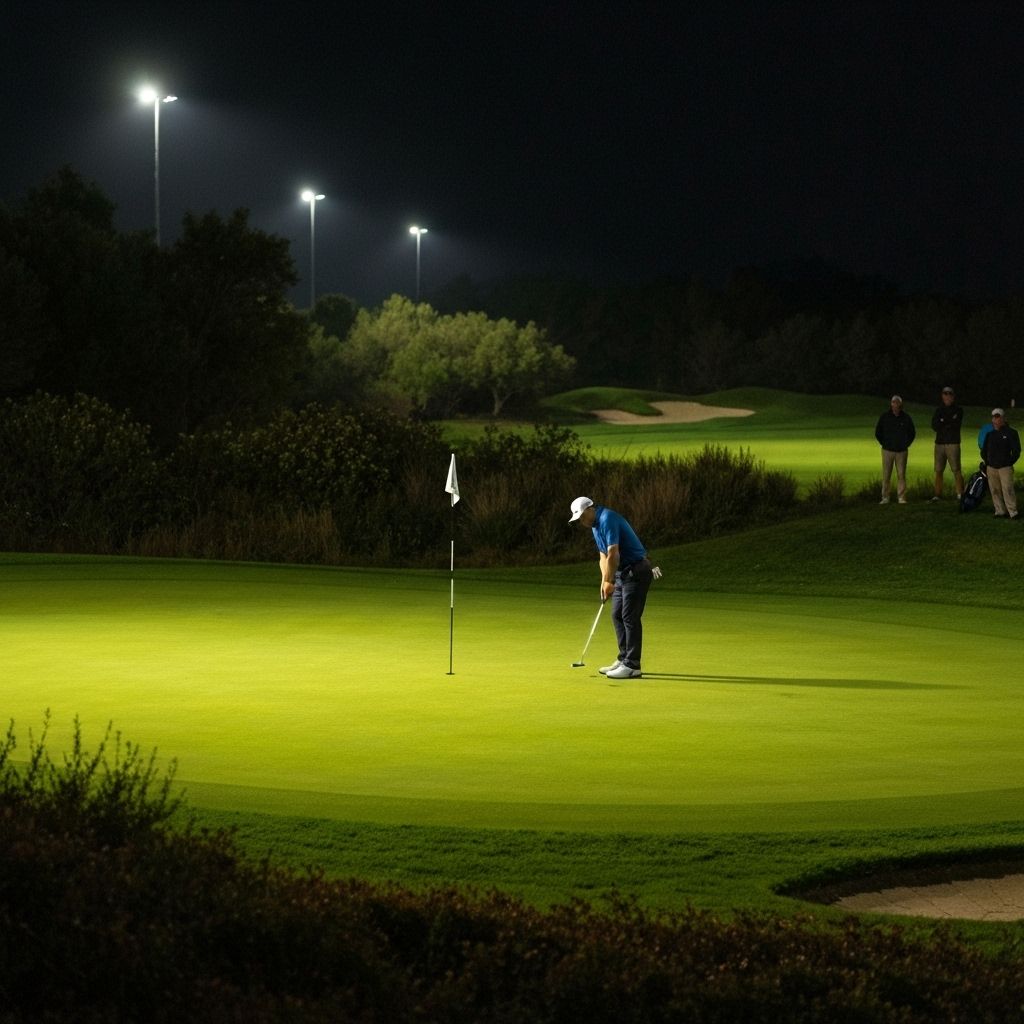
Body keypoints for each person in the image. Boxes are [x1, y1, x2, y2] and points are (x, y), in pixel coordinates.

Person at [568, 496, 653, 679]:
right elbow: (603, 556)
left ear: (591, 509)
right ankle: (624, 659)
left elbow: (614, 553)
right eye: (579, 519)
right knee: (616, 615)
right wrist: (604, 580)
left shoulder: (607, 519)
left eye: (583, 516)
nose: (582, 521)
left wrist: (610, 582)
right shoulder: (595, 526)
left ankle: (632, 665)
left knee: (629, 616)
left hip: (637, 570)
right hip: (622, 573)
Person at [874, 395, 916, 504]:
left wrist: (906, 444)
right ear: (891, 404)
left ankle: (901, 497)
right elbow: (878, 432)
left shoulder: (906, 418)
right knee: (886, 474)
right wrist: (884, 443)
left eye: (897, 403)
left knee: (901, 475)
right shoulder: (885, 417)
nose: (895, 405)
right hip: (887, 450)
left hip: (901, 451)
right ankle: (885, 497)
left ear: (900, 404)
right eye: (893, 402)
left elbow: (912, 433)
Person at [981, 408, 1021, 519]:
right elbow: (984, 451)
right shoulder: (990, 435)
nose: (995, 419)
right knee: (995, 490)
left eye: (997, 417)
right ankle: (999, 511)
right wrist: (987, 462)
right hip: (992, 467)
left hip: (1005, 467)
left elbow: (1016, 451)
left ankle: (1013, 512)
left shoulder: (1011, 433)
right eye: (994, 417)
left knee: (1007, 489)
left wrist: (1009, 462)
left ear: (1003, 418)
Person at [930, 386, 964, 501]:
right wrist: (947, 422)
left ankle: (960, 493)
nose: (947, 396)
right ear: (942, 396)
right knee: (938, 470)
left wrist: (943, 421)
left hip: (953, 443)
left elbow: (955, 424)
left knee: (956, 469)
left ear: (953, 397)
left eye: (949, 394)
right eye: (945, 394)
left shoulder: (958, 410)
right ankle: (938, 494)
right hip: (939, 443)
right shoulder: (938, 410)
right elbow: (934, 425)